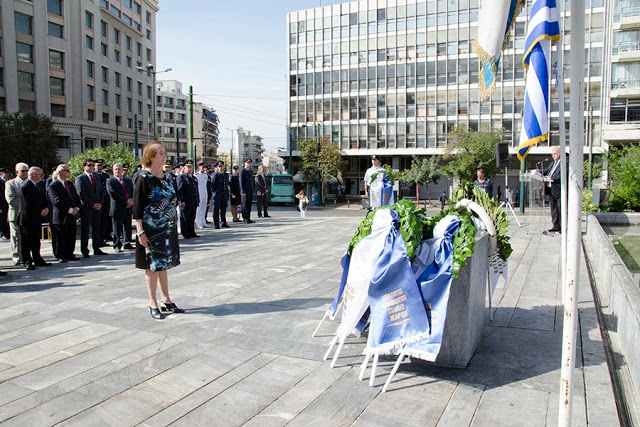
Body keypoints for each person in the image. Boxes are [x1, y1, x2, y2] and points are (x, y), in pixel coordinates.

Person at [133, 141, 183, 320]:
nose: (164, 156)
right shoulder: (143, 178)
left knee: (164, 264)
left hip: (167, 228)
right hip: (151, 229)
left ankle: (166, 299)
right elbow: (137, 207)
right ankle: (153, 303)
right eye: (160, 153)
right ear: (151, 156)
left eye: (164, 153)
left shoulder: (168, 176)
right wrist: (140, 231)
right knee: (152, 266)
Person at [19, 167, 51, 270]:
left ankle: (37, 258)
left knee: (36, 240)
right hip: (27, 219)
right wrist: (39, 211)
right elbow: (26, 205)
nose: (42, 177)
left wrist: (45, 208)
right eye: (40, 175)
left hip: (37, 218)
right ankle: (27, 261)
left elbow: (43, 198)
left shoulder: (38, 185)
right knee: (27, 241)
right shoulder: (25, 187)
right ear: (33, 175)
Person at [47, 164, 81, 262]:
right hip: (61, 215)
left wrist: (77, 208)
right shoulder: (53, 185)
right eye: (67, 170)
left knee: (71, 235)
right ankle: (60, 254)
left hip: (72, 215)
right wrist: (70, 210)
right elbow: (56, 201)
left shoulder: (69, 184)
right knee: (60, 236)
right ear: (60, 172)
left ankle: (70, 253)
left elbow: (76, 197)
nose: (69, 172)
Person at [76, 159, 108, 257]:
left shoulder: (96, 177)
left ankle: (96, 247)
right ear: (84, 166)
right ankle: (84, 250)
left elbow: (102, 192)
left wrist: (100, 203)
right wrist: (92, 204)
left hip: (97, 207)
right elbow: (81, 194)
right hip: (87, 208)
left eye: (92, 165)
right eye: (89, 165)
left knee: (97, 228)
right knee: (85, 230)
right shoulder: (80, 178)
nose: (91, 167)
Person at [107, 163, 134, 252]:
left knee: (127, 226)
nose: (117, 171)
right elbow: (113, 193)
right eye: (115, 169)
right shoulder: (110, 181)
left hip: (128, 207)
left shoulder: (128, 181)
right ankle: (117, 244)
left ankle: (127, 242)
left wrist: (131, 201)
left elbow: (132, 191)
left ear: (123, 171)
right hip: (118, 207)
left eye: (119, 169)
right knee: (117, 228)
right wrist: (125, 201)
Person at [6, 163, 29, 265]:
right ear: (17, 172)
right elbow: (11, 199)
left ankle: (26, 255)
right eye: (22, 171)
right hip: (16, 213)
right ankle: (16, 256)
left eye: (26, 171)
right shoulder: (11, 184)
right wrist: (23, 208)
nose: (25, 173)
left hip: (28, 214)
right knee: (16, 236)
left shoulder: (29, 183)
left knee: (27, 236)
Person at [542, 146, 567, 233]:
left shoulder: (565, 163)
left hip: (560, 189)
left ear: (560, 153)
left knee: (561, 209)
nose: (553, 156)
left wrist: (552, 178)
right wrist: (538, 172)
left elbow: (563, 175)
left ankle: (563, 227)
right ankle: (555, 226)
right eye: (552, 154)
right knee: (554, 208)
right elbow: (546, 171)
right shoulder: (553, 164)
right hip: (551, 190)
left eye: (555, 154)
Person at [176, 159, 199, 238]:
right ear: (184, 168)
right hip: (186, 201)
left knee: (192, 217)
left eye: (191, 167)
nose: (190, 169)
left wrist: (197, 200)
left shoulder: (193, 178)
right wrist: (181, 200)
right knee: (185, 217)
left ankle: (191, 231)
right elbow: (180, 189)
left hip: (193, 201)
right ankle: (185, 232)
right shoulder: (181, 177)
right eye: (188, 167)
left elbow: (195, 190)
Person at [95, 159, 111, 246]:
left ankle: (103, 238)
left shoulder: (105, 176)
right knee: (98, 223)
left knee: (104, 221)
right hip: (97, 202)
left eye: (101, 165)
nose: (100, 167)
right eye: (98, 165)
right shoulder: (94, 175)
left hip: (105, 201)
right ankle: (98, 241)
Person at [210, 162, 229, 229]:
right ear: (217, 167)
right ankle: (216, 223)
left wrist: (227, 194)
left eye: (222, 166)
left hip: (224, 194)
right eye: (219, 166)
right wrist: (215, 193)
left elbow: (226, 185)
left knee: (223, 208)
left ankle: (223, 222)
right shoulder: (215, 175)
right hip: (217, 194)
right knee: (216, 209)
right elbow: (212, 186)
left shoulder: (225, 175)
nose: (221, 168)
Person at [194, 162, 209, 229]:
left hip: (205, 193)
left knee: (204, 208)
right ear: (199, 167)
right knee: (199, 209)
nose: (204, 168)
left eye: (204, 167)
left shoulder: (205, 175)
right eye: (202, 167)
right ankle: (198, 222)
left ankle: (203, 221)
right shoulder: (196, 175)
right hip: (199, 193)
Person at [239, 158, 254, 224]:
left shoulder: (250, 171)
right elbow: (241, 182)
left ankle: (248, 217)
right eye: (247, 163)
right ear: (245, 163)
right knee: (244, 205)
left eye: (249, 163)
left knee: (249, 205)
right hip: (245, 190)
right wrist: (242, 191)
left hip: (249, 190)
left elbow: (251, 182)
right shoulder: (243, 171)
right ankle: (245, 218)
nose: (248, 164)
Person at [0, 167, 11, 239]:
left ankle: (7, 232)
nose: (7, 174)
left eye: (7, 173)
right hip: (1, 204)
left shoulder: (8, 182)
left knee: (8, 218)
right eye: (5, 173)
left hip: (8, 203)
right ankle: (2, 232)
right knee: (2, 219)